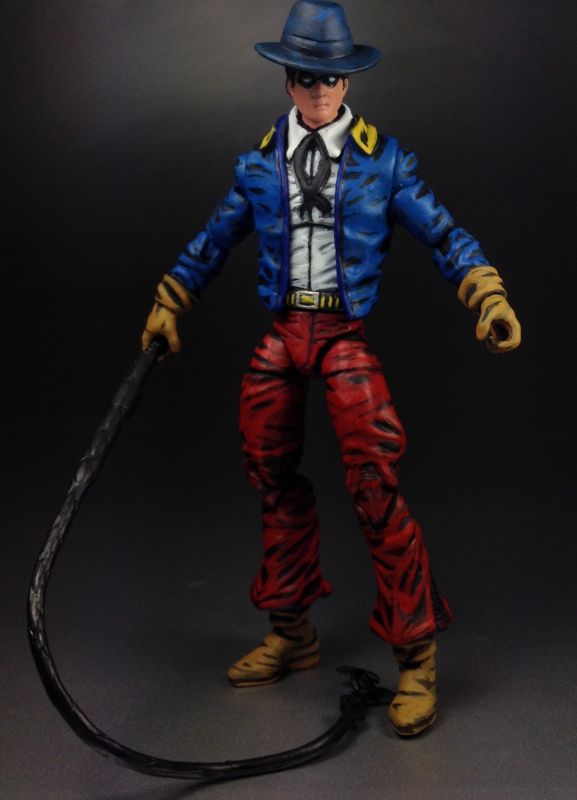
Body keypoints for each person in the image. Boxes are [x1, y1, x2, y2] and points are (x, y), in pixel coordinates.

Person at [141, 0, 521, 737]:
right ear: (287, 81)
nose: (319, 91)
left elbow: (443, 233)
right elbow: (214, 239)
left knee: (375, 481)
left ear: (347, 82)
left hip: (344, 336)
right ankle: (291, 631)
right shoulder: (259, 163)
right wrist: (171, 298)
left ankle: (417, 657)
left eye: (331, 79)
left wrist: (487, 293)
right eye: (305, 78)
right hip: (284, 332)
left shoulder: (384, 161)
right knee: (268, 471)